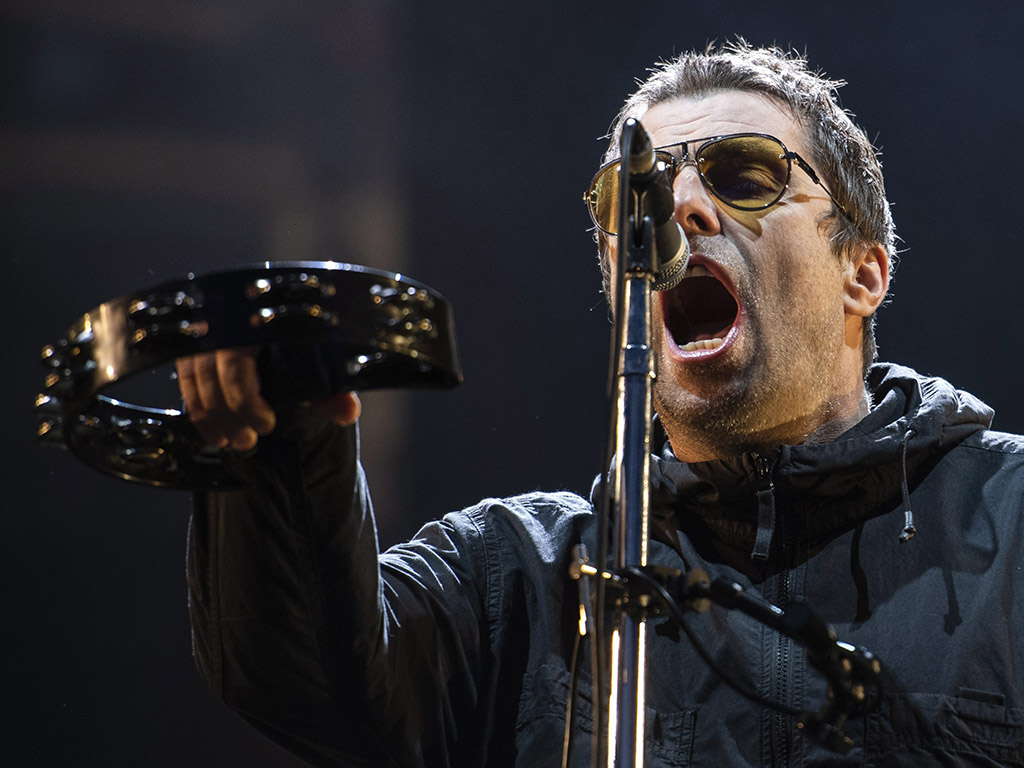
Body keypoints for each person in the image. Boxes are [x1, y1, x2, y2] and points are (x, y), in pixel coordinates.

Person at [177, 42, 1024, 767]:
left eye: (745, 175)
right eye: (639, 200)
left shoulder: (1012, 527)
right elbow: (303, 674)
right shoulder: (516, 578)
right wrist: (282, 448)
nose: (683, 208)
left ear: (864, 272)